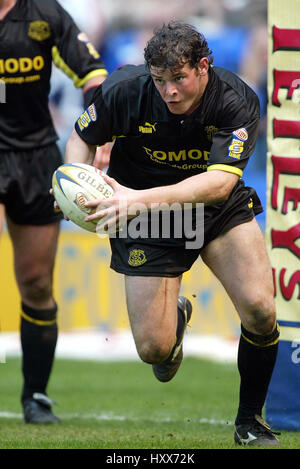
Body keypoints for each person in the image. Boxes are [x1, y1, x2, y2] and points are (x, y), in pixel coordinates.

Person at [63, 22, 280, 446]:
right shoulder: (125, 89)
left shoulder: (235, 100)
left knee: (260, 308)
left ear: (203, 67)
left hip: (212, 208)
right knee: (154, 351)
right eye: (160, 81)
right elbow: (80, 138)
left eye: (179, 78)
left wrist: (136, 200)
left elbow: (219, 184)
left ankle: (250, 421)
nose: (170, 91)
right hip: (147, 217)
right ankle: (176, 318)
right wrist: (75, 183)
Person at [0, 0, 108, 424]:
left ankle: (35, 396)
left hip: (34, 157)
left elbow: (92, 73)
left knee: (36, 281)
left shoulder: (45, 13)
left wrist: (100, 132)